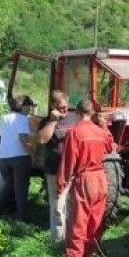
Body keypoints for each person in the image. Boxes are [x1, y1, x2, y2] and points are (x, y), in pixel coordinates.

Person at [57, 99, 113, 257]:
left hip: (85, 177)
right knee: (96, 218)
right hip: (101, 177)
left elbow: (68, 161)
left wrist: (60, 184)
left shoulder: (74, 133)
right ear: (93, 114)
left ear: (77, 113)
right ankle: (92, 252)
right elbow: (111, 147)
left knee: (78, 219)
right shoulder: (101, 132)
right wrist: (104, 127)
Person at [36, 90, 77, 242]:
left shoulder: (74, 118)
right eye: (60, 108)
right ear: (52, 106)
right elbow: (41, 140)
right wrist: (53, 121)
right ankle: (57, 240)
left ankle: (72, 237)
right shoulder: (46, 121)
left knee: (73, 204)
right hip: (55, 170)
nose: (64, 110)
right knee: (58, 205)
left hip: (73, 169)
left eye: (65, 107)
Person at [0, 95, 34, 222]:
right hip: (19, 157)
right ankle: (23, 219)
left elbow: (3, 135)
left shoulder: (4, 118)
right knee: (21, 189)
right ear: (23, 106)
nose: (29, 109)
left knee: (9, 186)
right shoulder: (22, 119)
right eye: (29, 106)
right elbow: (22, 138)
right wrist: (32, 153)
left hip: (3, 157)